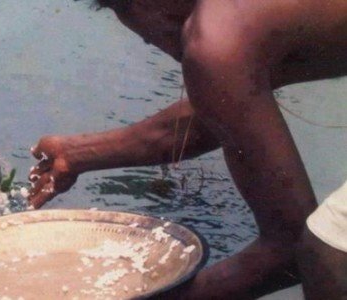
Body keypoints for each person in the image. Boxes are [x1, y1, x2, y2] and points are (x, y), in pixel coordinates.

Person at [27, 0, 347, 299]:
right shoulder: (241, 19)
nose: (148, 40)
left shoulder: (217, 37)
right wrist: (78, 154)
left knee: (327, 250)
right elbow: (226, 111)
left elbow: (287, 249)